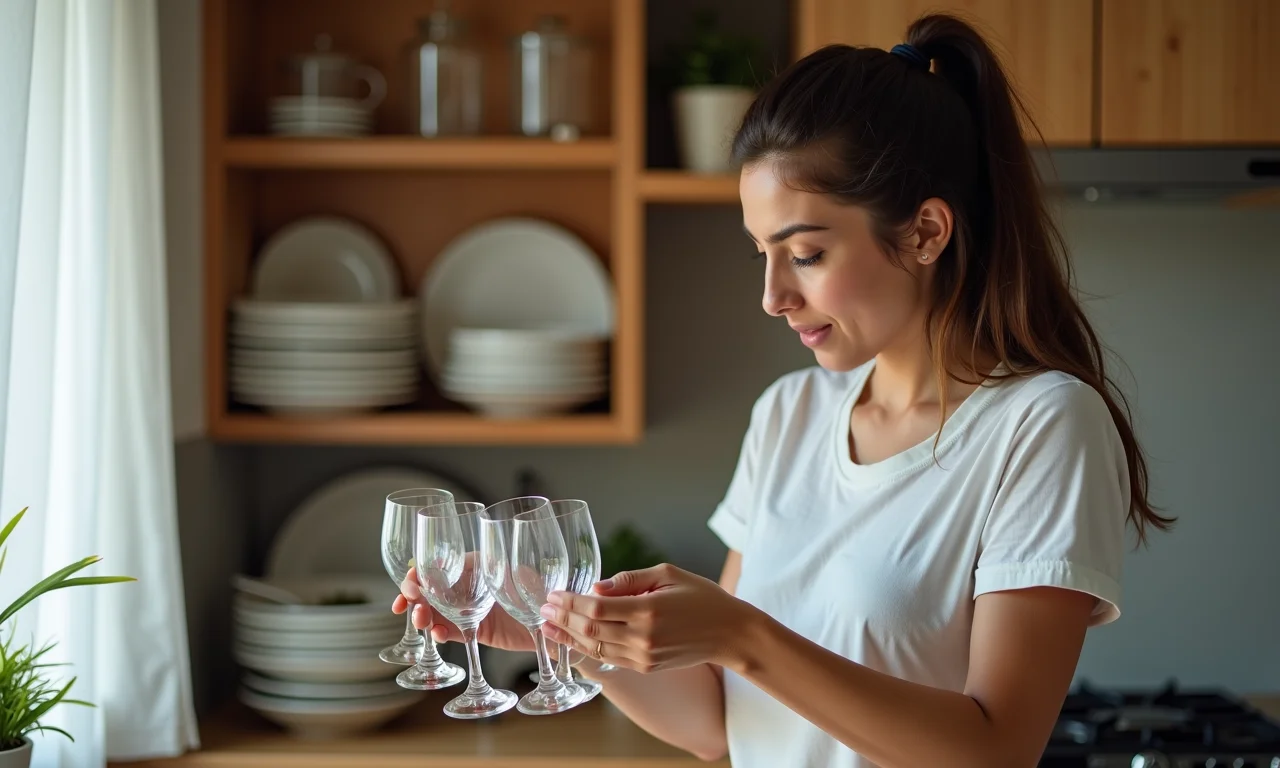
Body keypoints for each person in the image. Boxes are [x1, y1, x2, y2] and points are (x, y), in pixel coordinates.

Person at [394, 12, 1174, 767]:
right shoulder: (790, 414)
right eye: (761, 252)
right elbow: (715, 723)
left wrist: (743, 636)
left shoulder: (1042, 427)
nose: (772, 295)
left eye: (804, 253)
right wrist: (556, 629)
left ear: (927, 232)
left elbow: (995, 749)